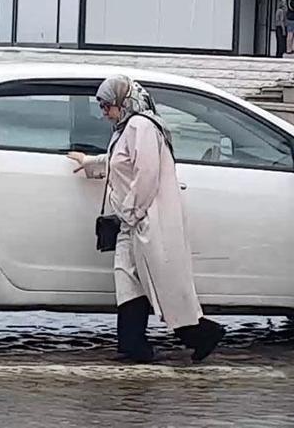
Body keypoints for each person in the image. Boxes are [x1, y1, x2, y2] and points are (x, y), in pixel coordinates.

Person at [67, 75, 225, 363]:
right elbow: (120, 162)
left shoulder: (141, 127)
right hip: (133, 220)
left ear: (123, 103)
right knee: (128, 280)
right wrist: (89, 163)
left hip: (145, 220)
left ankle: (201, 334)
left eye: (107, 107)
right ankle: (133, 345)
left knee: (161, 286)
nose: (104, 113)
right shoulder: (128, 127)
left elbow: (146, 175)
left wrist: (130, 212)